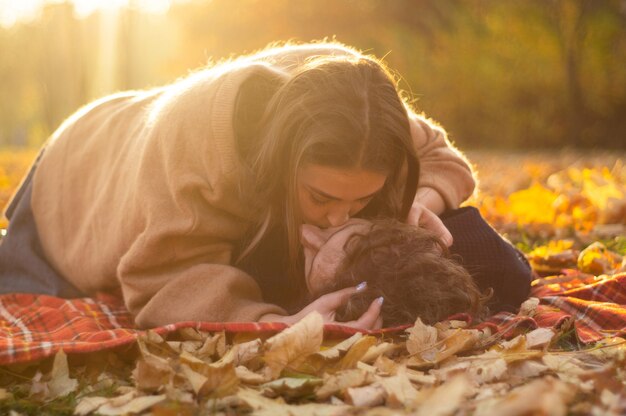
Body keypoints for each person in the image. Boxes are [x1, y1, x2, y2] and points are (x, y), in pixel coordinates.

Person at [0, 41, 477, 330]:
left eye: (362, 200)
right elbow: (159, 280)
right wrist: (272, 324)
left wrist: (419, 201)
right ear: (282, 159)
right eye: (322, 197)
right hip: (77, 169)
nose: (339, 219)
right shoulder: (196, 153)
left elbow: (439, 155)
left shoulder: (362, 110)